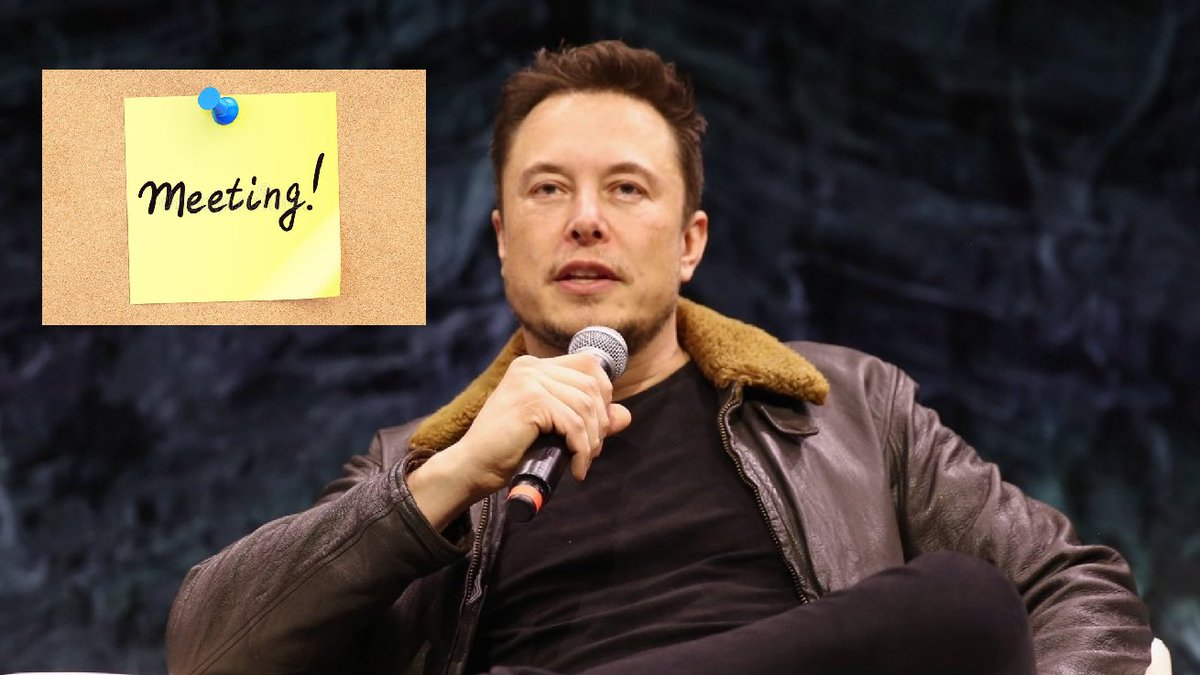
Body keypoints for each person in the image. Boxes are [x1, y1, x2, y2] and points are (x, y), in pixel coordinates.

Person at [165, 40, 1153, 675]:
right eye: (548, 190)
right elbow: (208, 651)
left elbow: (1076, 589)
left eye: (627, 189)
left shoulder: (851, 405)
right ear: (502, 242)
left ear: (689, 243)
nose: (586, 220)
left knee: (965, 601)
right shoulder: (423, 464)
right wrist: (451, 477)